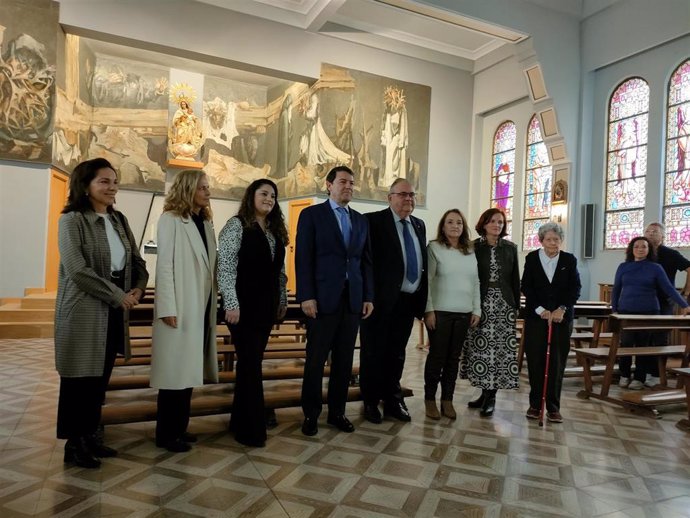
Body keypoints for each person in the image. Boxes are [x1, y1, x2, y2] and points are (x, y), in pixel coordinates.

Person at [55, 158, 148, 468]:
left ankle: (92, 436)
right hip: (82, 312)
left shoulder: (118, 219)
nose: (112, 187)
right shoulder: (72, 220)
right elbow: (77, 270)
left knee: (99, 380)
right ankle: (74, 444)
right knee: (77, 381)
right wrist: (118, 295)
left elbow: (137, 261)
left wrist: (137, 288)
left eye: (114, 181)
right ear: (86, 185)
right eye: (104, 181)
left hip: (113, 312)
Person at [296, 165, 374, 436]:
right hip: (322, 299)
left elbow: (365, 263)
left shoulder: (361, 221)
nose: (348, 187)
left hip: (352, 301)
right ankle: (311, 414)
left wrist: (368, 297)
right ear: (328, 185)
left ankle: (337, 412)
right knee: (316, 360)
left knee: (343, 361)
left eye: (352, 183)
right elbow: (303, 259)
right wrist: (306, 295)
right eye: (343, 182)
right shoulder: (312, 215)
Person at [150, 170, 219, 452]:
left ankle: (180, 427)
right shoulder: (170, 219)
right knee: (173, 376)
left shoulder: (205, 222)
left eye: (207, 187)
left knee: (188, 372)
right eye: (203, 188)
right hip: (179, 304)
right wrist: (166, 305)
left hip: (199, 305)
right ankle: (166, 434)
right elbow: (164, 265)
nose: (208, 192)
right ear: (188, 189)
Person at [217, 179, 288, 447]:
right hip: (243, 306)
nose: (269, 199)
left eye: (273, 195)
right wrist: (231, 303)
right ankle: (251, 429)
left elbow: (279, 272)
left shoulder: (273, 230)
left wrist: (282, 299)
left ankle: (240, 421)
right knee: (249, 364)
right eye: (264, 194)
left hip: (266, 307)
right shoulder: (237, 225)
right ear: (251, 196)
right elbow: (225, 266)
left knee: (251, 363)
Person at [359, 178, 427, 424]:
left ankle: (393, 399)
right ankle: (369, 400)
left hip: (407, 302)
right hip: (378, 302)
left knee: (397, 353)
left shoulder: (419, 225)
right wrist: (367, 296)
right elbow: (364, 263)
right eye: (402, 194)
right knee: (373, 352)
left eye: (411, 195)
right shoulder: (373, 221)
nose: (408, 199)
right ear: (390, 198)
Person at [461, 208, 520, 417]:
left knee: (499, 353)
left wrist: (515, 307)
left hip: (504, 305)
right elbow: (468, 277)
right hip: (480, 304)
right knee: (481, 351)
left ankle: (491, 396)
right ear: (484, 224)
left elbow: (515, 280)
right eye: (494, 221)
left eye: (501, 222)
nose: (498, 225)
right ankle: (484, 392)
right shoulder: (473, 247)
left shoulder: (510, 248)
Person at [521, 222, 581, 423]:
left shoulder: (569, 259)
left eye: (556, 239)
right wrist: (541, 310)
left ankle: (553, 407)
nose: (553, 243)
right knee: (536, 361)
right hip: (536, 317)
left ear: (560, 240)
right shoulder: (532, 258)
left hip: (561, 318)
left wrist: (561, 308)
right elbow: (526, 287)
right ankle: (535, 404)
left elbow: (575, 288)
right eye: (548, 239)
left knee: (556, 362)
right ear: (541, 240)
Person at [422, 209, 480, 420]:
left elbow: (476, 281)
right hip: (440, 311)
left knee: (453, 359)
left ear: (463, 227)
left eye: (459, 222)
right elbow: (427, 281)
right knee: (437, 357)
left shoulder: (470, 250)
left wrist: (477, 309)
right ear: (443, 226)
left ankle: (447, 399)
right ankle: (430, 400)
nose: (455, 226)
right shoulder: (434, 247)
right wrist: (428, 310)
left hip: (464, 312)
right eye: (450, 222)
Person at [611, 236, 690, 390]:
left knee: (643, 345)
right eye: (637, 246)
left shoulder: (656, 268)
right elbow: (616, 290)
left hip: (648, 312)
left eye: (644, 247)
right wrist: (614, 309)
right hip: (625, 311)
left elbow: (668, 288)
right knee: (625, 344)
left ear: (649, 250)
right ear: (631, 249)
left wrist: (684, 305)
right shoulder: (623, 267)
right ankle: (624, 374)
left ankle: (639, 378)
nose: (640, 249)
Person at [643, 222, 690, 387]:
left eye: (654, 231)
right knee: (643, 339)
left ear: (663, 236)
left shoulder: (671, 254)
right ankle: (641, 374)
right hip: (644, 303)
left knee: (659, 338)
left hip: (663, 302)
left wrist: (686, 290)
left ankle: (656, 375)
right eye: (647, 231)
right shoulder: (642, 252)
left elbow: (689, 268)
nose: (650, 233)